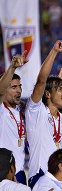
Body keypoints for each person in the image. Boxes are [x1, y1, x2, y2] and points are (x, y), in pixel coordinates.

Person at [25, 40, 62, 188]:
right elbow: (41, 81)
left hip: (59, 181)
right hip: (40, 176)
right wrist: (54, 52)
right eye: (60, 89)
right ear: (48, 94)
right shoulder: (36, 112)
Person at [0, 51, 28, 185]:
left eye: (20, 86)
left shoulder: (21, 111)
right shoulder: (1, 111)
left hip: (21, 172)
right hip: (4, 173)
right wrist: (12, 67)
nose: (19, 91)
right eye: (14, 87)